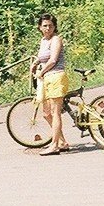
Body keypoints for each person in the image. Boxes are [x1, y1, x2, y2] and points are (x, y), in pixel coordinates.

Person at [29, 14, 69, 156]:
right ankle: (62, 142)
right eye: (45, 25)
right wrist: (35, 63)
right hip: (46, 78)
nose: (48, 28)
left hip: (56, 76)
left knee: (55, 112)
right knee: (46, 113)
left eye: (50, 25)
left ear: (54, 27)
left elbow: (53, 60)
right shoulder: (43, 41)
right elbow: (42, 57)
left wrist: (41, 72)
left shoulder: (56, 39)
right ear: (39, 27)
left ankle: (54, 145)